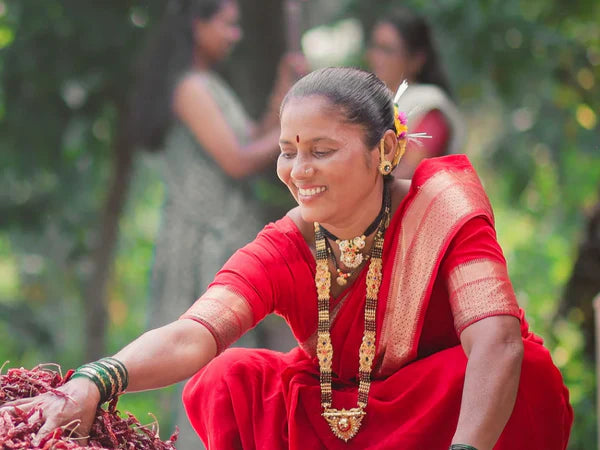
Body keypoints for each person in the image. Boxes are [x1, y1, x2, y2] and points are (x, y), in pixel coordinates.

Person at [1, 68, 572, 449]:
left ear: (387, 151)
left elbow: (494, 341)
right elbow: (191, 335)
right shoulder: (284, 243)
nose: (299, 171)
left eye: (322, 151)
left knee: (527, 371)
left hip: (442, 420)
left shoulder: (444, 207)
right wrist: (93, 382)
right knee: (227, 377)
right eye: (288, 150)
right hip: (336, 415)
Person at [127, 0, 304, 446]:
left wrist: (284, 96)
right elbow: (239, 159)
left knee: (231, 367)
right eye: (227, 24)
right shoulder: (190, 88)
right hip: (203, 246)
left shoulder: (208, 84)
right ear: (196, 24)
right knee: (207, 366)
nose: (234, 35)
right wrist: (303, 145)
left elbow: (253, 138)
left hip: (224, 239)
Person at [367, 6, 465, 179]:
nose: (376, 57)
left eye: (387, 50)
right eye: (375, 47)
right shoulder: (372, 104)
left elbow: (407, 174)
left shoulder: (428, 105)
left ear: (416, 60)